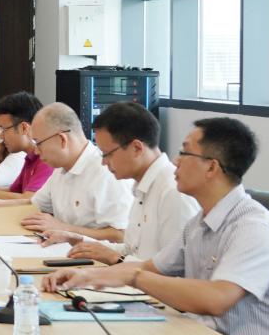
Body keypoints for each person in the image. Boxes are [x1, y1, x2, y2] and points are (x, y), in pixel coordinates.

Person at [48, 116, 269, 335]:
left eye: (185, 153)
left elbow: (217, 299)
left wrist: (134, 277)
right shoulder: (199, 223)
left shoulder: (252, 228)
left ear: (211, 167)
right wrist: (87, 276)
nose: (176, 161)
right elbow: (151, 267)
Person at [40, 101, 195, 264]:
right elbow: (130, 250)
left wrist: (116, 259)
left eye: (107, 153)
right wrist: (77, 240)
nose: (103, 162)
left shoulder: (173, 192)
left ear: (137, 148)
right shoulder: (143, 186)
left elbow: (175, 270)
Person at [15, 102, 133, 232]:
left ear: (62, 139)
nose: (36, 151)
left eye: (38, 143)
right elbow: (34, 203)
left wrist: (63, 228)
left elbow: (120, 235)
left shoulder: (108, 172)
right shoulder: (60, 169)